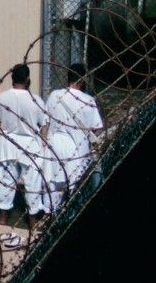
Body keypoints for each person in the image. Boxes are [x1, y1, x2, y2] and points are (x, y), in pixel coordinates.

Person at [44, 63, 103, 213]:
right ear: (82, 80)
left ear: (67, 77)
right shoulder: (88, 100)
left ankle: (50, 217)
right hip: (76, 148)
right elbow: (97, 128)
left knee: (54, 185)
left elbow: (47, 120)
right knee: (74, 187)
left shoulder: (55, 95)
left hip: (55, 144)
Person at [0, 64, 48, 227]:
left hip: (9, 142)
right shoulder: (35, 100)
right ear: (28, 79)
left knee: (6, 181)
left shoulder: (2, 97)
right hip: (29, 144)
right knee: (32, 182)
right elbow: (43, 123)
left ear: (12, 79)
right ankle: (32, 218)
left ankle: (3, 216)